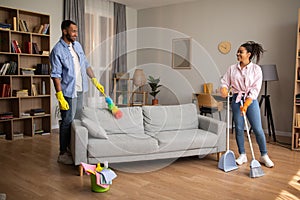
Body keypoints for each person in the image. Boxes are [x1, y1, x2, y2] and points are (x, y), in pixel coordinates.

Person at [50, 20, 104, 165]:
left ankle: (74, 149)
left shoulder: (77, 46)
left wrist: (94, 80)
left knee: (78, 120)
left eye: (76, 31)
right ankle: (62, 153)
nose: (76, 34)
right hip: (68, 92)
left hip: (80, 89)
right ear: (65, 31)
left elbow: (86, 64)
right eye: (73, 31)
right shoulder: (57, 50)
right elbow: (56, 75)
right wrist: (59, 95)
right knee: (67, 121)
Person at [220, 41, 274, 168]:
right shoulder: (232, 68)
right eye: (238, 51)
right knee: (239, 128)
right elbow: (225, 82)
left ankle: (264, 155)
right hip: (236, 98)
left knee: (257, 129)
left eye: (241, 52)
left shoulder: (256, 69)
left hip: (251, 100)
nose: (237, 54)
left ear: (248, 54)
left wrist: (246, 104)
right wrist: (223, 89)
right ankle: (242, 155)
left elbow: (255, 89)